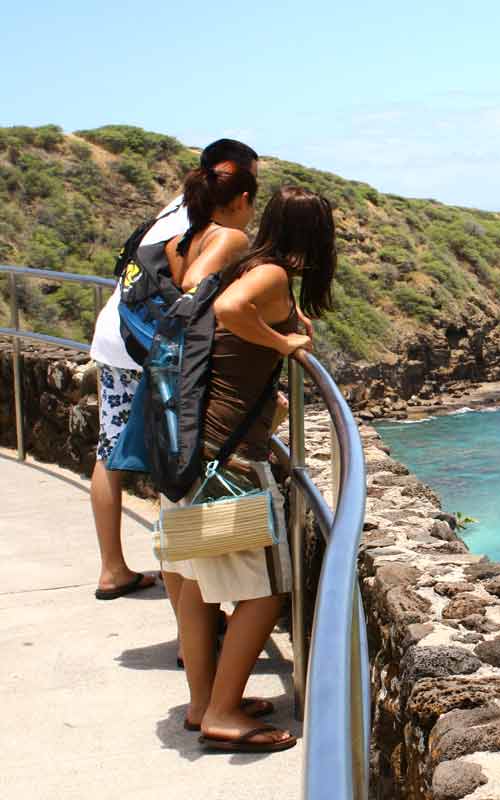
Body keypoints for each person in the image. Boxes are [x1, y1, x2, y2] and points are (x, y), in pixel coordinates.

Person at [173, 186, 335, 752]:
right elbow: (229, 312)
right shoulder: (269, 277)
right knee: (264, 591)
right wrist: (286, 344)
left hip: (195, 450)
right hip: (227, 460)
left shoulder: (248, 263)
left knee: (196, 586)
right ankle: (222, 715)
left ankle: (203, 705)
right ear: (316, 235)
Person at [89, 139, 258, 600]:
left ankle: (113, 569)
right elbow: (192, 283)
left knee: (110, 451)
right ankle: (196, 603)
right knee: (179, 456)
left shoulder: (176, 207)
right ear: (230, 176)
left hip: (119, 332)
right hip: (150, 347)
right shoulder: (212, 225)